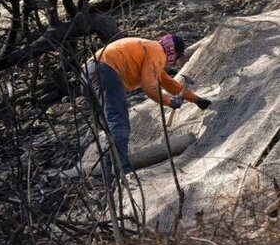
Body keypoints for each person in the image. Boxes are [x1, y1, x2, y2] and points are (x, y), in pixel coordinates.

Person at [83, 34, 211, 183]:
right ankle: (122, 172)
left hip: (88, 72)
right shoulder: (157, 51)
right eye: (177, 57)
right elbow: (149, 87)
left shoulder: (151, 49)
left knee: (109, 126)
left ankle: (109, 175)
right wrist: (169, 101)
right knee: (118, 123)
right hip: (105, 71)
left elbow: (167, 82)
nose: (175, 61)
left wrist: (196, 99)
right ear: (173, 52)